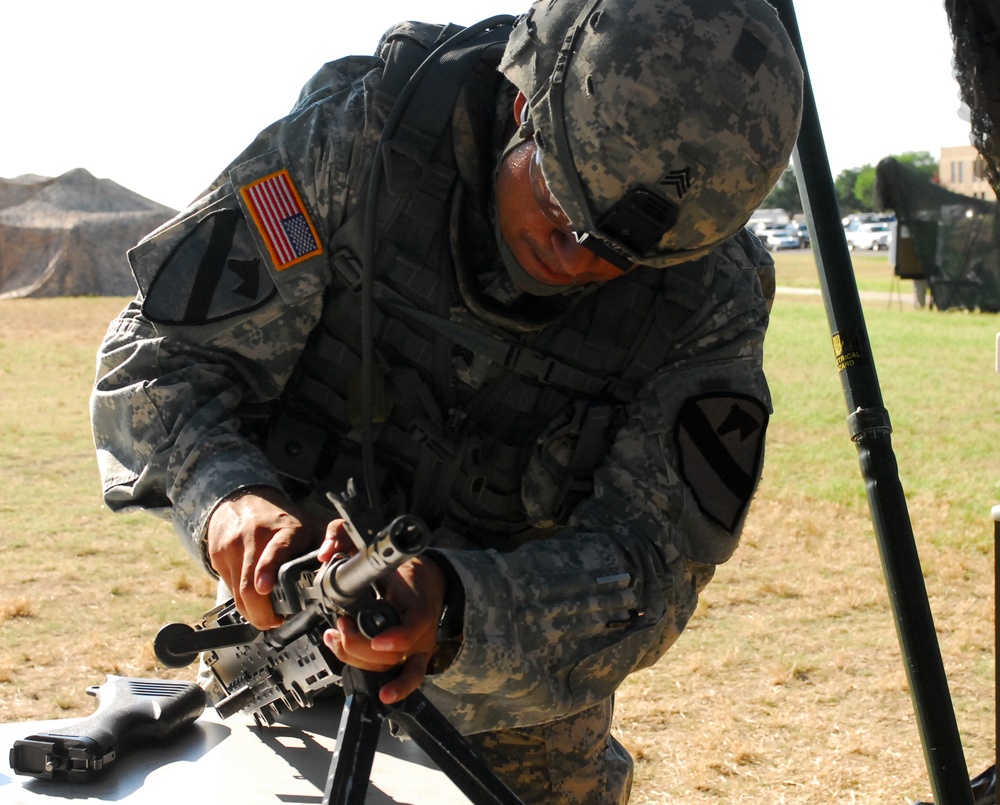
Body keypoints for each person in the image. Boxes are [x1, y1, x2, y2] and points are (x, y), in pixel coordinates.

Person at [90, 1, 803, 801]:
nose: (582, 257)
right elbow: (156, 359)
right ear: (522, 105)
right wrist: (226, 498)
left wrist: (455, 608)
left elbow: (651, 566)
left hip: (518, 726)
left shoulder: (709, 294)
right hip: (282, 660)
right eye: (566, 205)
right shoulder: (358, 149)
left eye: (627, 255)